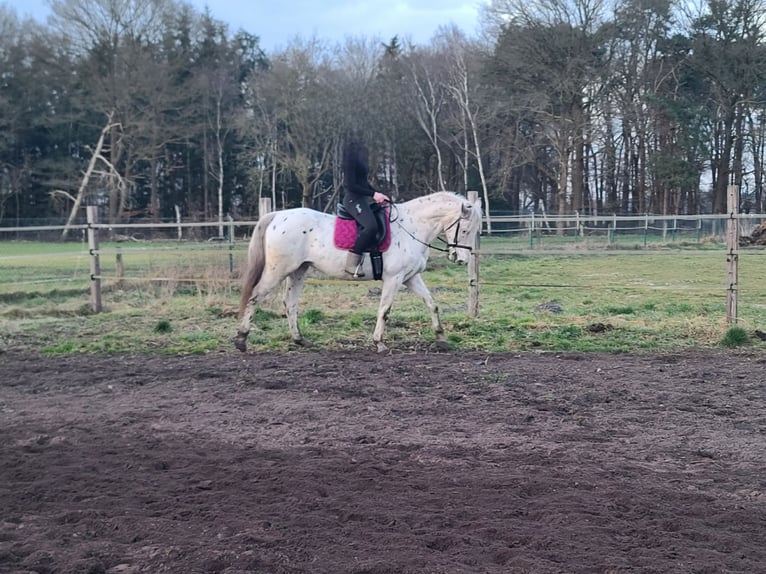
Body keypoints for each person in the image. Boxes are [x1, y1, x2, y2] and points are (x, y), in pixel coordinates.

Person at [341, 137, 390, 277]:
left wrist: (378, 194)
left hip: (361, 198)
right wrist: (373, 194)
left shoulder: (361, 152)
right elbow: (351, 185)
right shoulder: (349, 155)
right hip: (353, 199)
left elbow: (362, 183)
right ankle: (351, 263)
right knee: (371, 227)